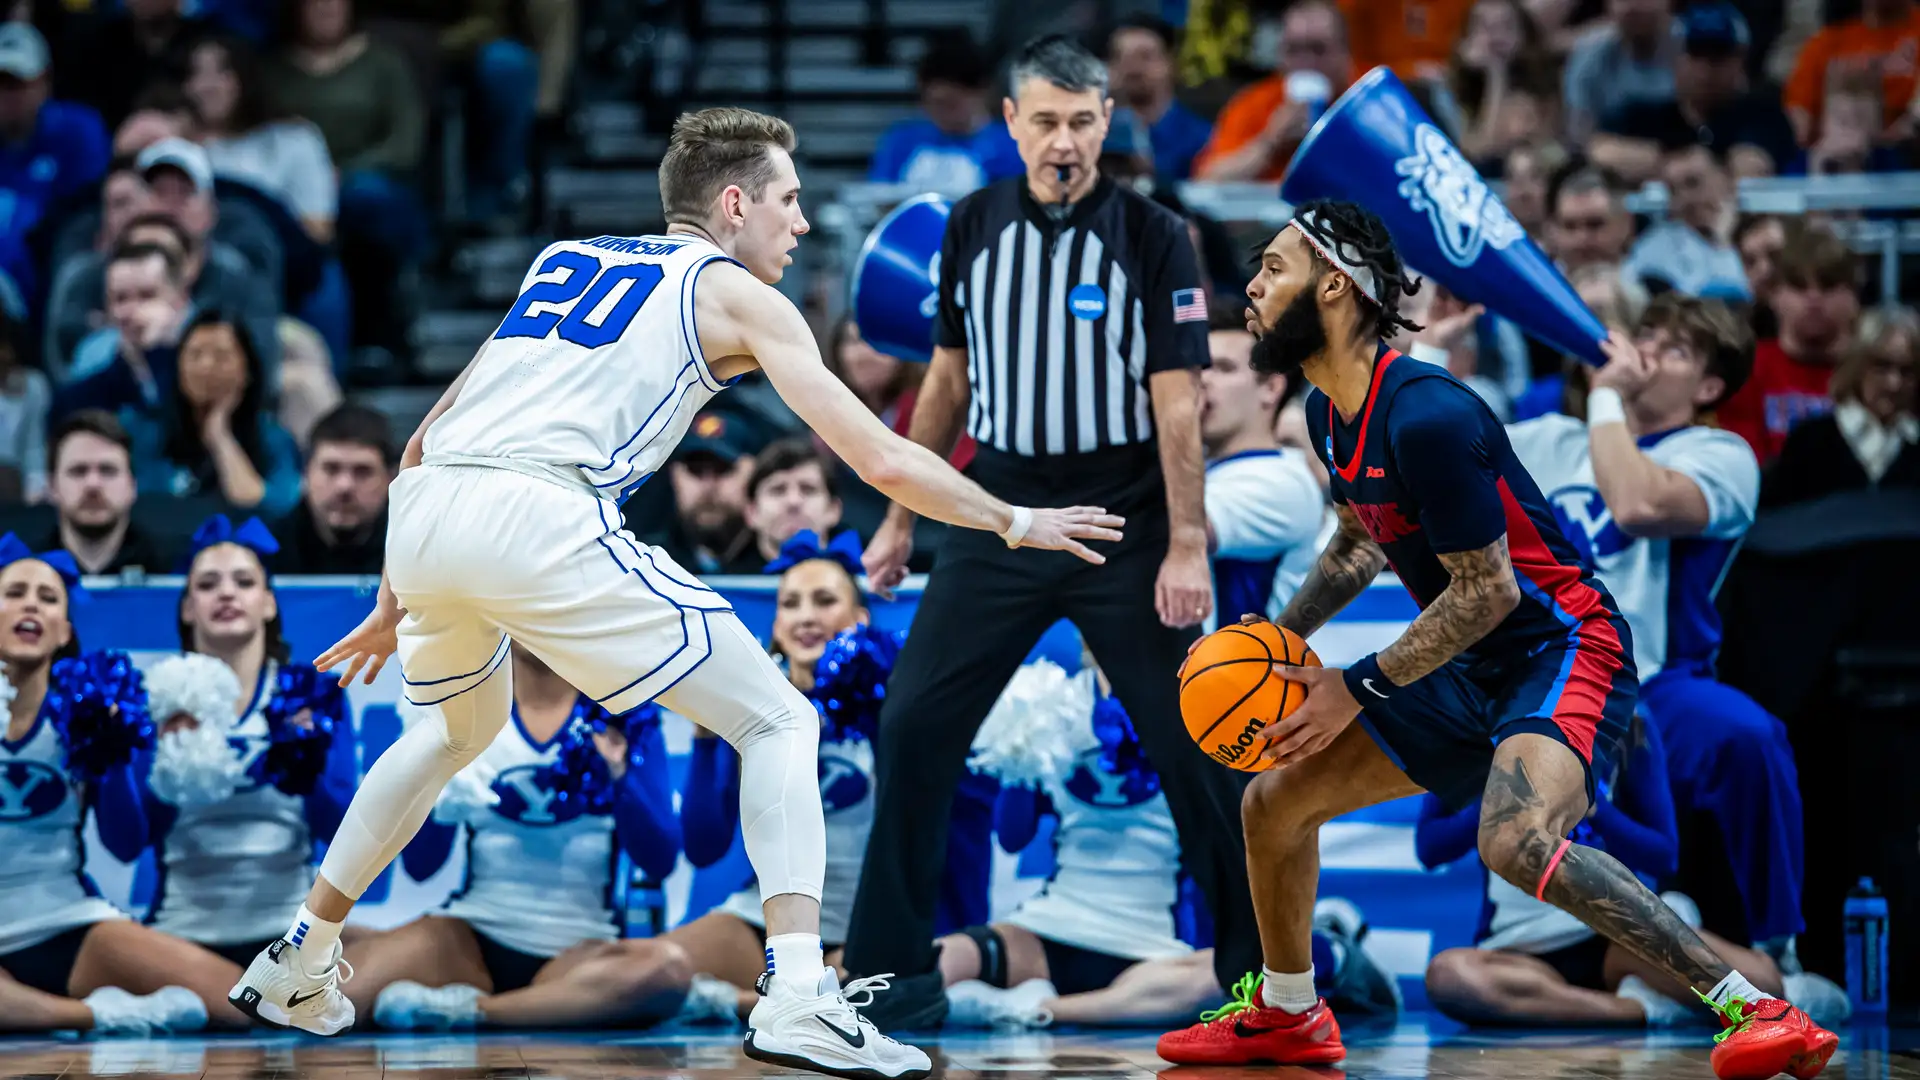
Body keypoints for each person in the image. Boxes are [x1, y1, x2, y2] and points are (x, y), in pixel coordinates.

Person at [226, 105, 1117, 1080]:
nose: (805, 225)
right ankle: (798, 996)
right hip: (540, 512)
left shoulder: (562, 260)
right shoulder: (733, 293)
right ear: (734, 204)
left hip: (431, 509)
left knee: (444, 735)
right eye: (792, 201)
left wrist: (397, 600)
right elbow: (875, 457)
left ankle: (302, 955)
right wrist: (1015, 520)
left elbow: (428, 434)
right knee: (779, 718)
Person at [1152, 200, 1835, 1080]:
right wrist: (1280, 641)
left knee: (1511, 841)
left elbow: (1487, 591)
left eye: (1272, 269)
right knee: (1273, 805)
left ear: (1332, 288)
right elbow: (1361, 545)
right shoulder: (1330, 414)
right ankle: (1290, 1012)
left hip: (1561, 646)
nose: (1250, 285)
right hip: (1469, 655)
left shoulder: (1429, 415)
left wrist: (1350, 685)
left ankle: (1753, 1009)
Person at [849, 35, 1259, 1031]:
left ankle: (1267, 980)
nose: (1064, 141)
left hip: (1125, 509)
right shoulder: (970, 226)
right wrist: (905, 513)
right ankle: (889, 974)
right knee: (912, 722)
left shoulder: (1157, 234)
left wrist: (1187, 542)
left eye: (1082, 121)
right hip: (1004, 508)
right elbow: (945, 382)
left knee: (1195, 750)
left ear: (1106, 123)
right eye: (1045, 121)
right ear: (1011, 125)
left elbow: (1177, 403)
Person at [1507, 295, 1816, 976]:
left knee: (1747, 738)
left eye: (1674, 349)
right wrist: (1439, 347)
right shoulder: (1553, 438)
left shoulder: (1721, 453)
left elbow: (1638, 503)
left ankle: (1777, 948)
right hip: (1547, 674)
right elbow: (1432, 457)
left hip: (1658, 680)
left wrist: (1607, 399)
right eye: (1646, 333)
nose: (1646, 351)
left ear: (1709, 387)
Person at [345, 644, 687, 1031]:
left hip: (579, 953)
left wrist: (622, 777)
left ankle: (469, 1012)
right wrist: (439, 796)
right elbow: (420, 866)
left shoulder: (622, 711)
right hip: (470, 941)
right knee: (331, 996)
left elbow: (660, 859)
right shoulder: (464, 703)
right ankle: (525, 1009)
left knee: (667, 971)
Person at [1419, 715, 1785, 1025]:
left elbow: (1663, 855)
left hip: (1618, 939)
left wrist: (1597, 809)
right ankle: (1639, 1010)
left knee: (1764, 988)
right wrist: (1497, 797)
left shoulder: (1628, 722)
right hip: (1518, 954)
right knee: (1449, 976)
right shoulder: (1465, 731)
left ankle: (1770, 964)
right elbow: (1431, 847)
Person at [668, 533, 897, 1023]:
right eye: (790, 604)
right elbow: (704, 846)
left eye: (824, 600)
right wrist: (707, 740)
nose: (806, 616)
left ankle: (751, 1006)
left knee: (880, 986)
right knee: (649, 969)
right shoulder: (752, 708)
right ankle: (779, 1005)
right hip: (762, 925)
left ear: (860, 619)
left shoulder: (891, 709)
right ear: (776, 624)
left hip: (860, 932)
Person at [0, 537, 219, 1035]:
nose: (31, 603)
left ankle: (31, 1012)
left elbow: (124, 846)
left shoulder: (88, 708)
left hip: (66, 923)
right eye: (14, 592)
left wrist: (114, 756)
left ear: (63, 631)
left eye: (48, 597)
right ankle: (98, 1014)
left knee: (241, 999)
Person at [140, 517, 358, 968]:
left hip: (289, 936)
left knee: (413, 947)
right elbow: (131, 839)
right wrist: (164, 768)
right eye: (207, 584)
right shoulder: (155, 697)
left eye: (244, 581)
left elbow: (338, 835)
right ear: (186, 608)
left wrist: (306, 756)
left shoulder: (314, 695)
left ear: (269, 604)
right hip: (179, 936)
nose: (226, 593)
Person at [1199, 316, 1324, 625]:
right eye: (1198, 366)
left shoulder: (1283, 482)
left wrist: (1167, 416)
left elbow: (1177, 529)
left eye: (1223, 368)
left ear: (1270, 387)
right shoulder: (1206, 468)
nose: (1202, 380)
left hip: (1237, 669)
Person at [126, 309, 302, 518]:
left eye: (221, 356)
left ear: (248, 371)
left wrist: (220, 436)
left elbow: (272, 511)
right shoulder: (143, 430)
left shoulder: (274, 439)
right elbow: (145, 505)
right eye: (195, 354)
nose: (206, 367)